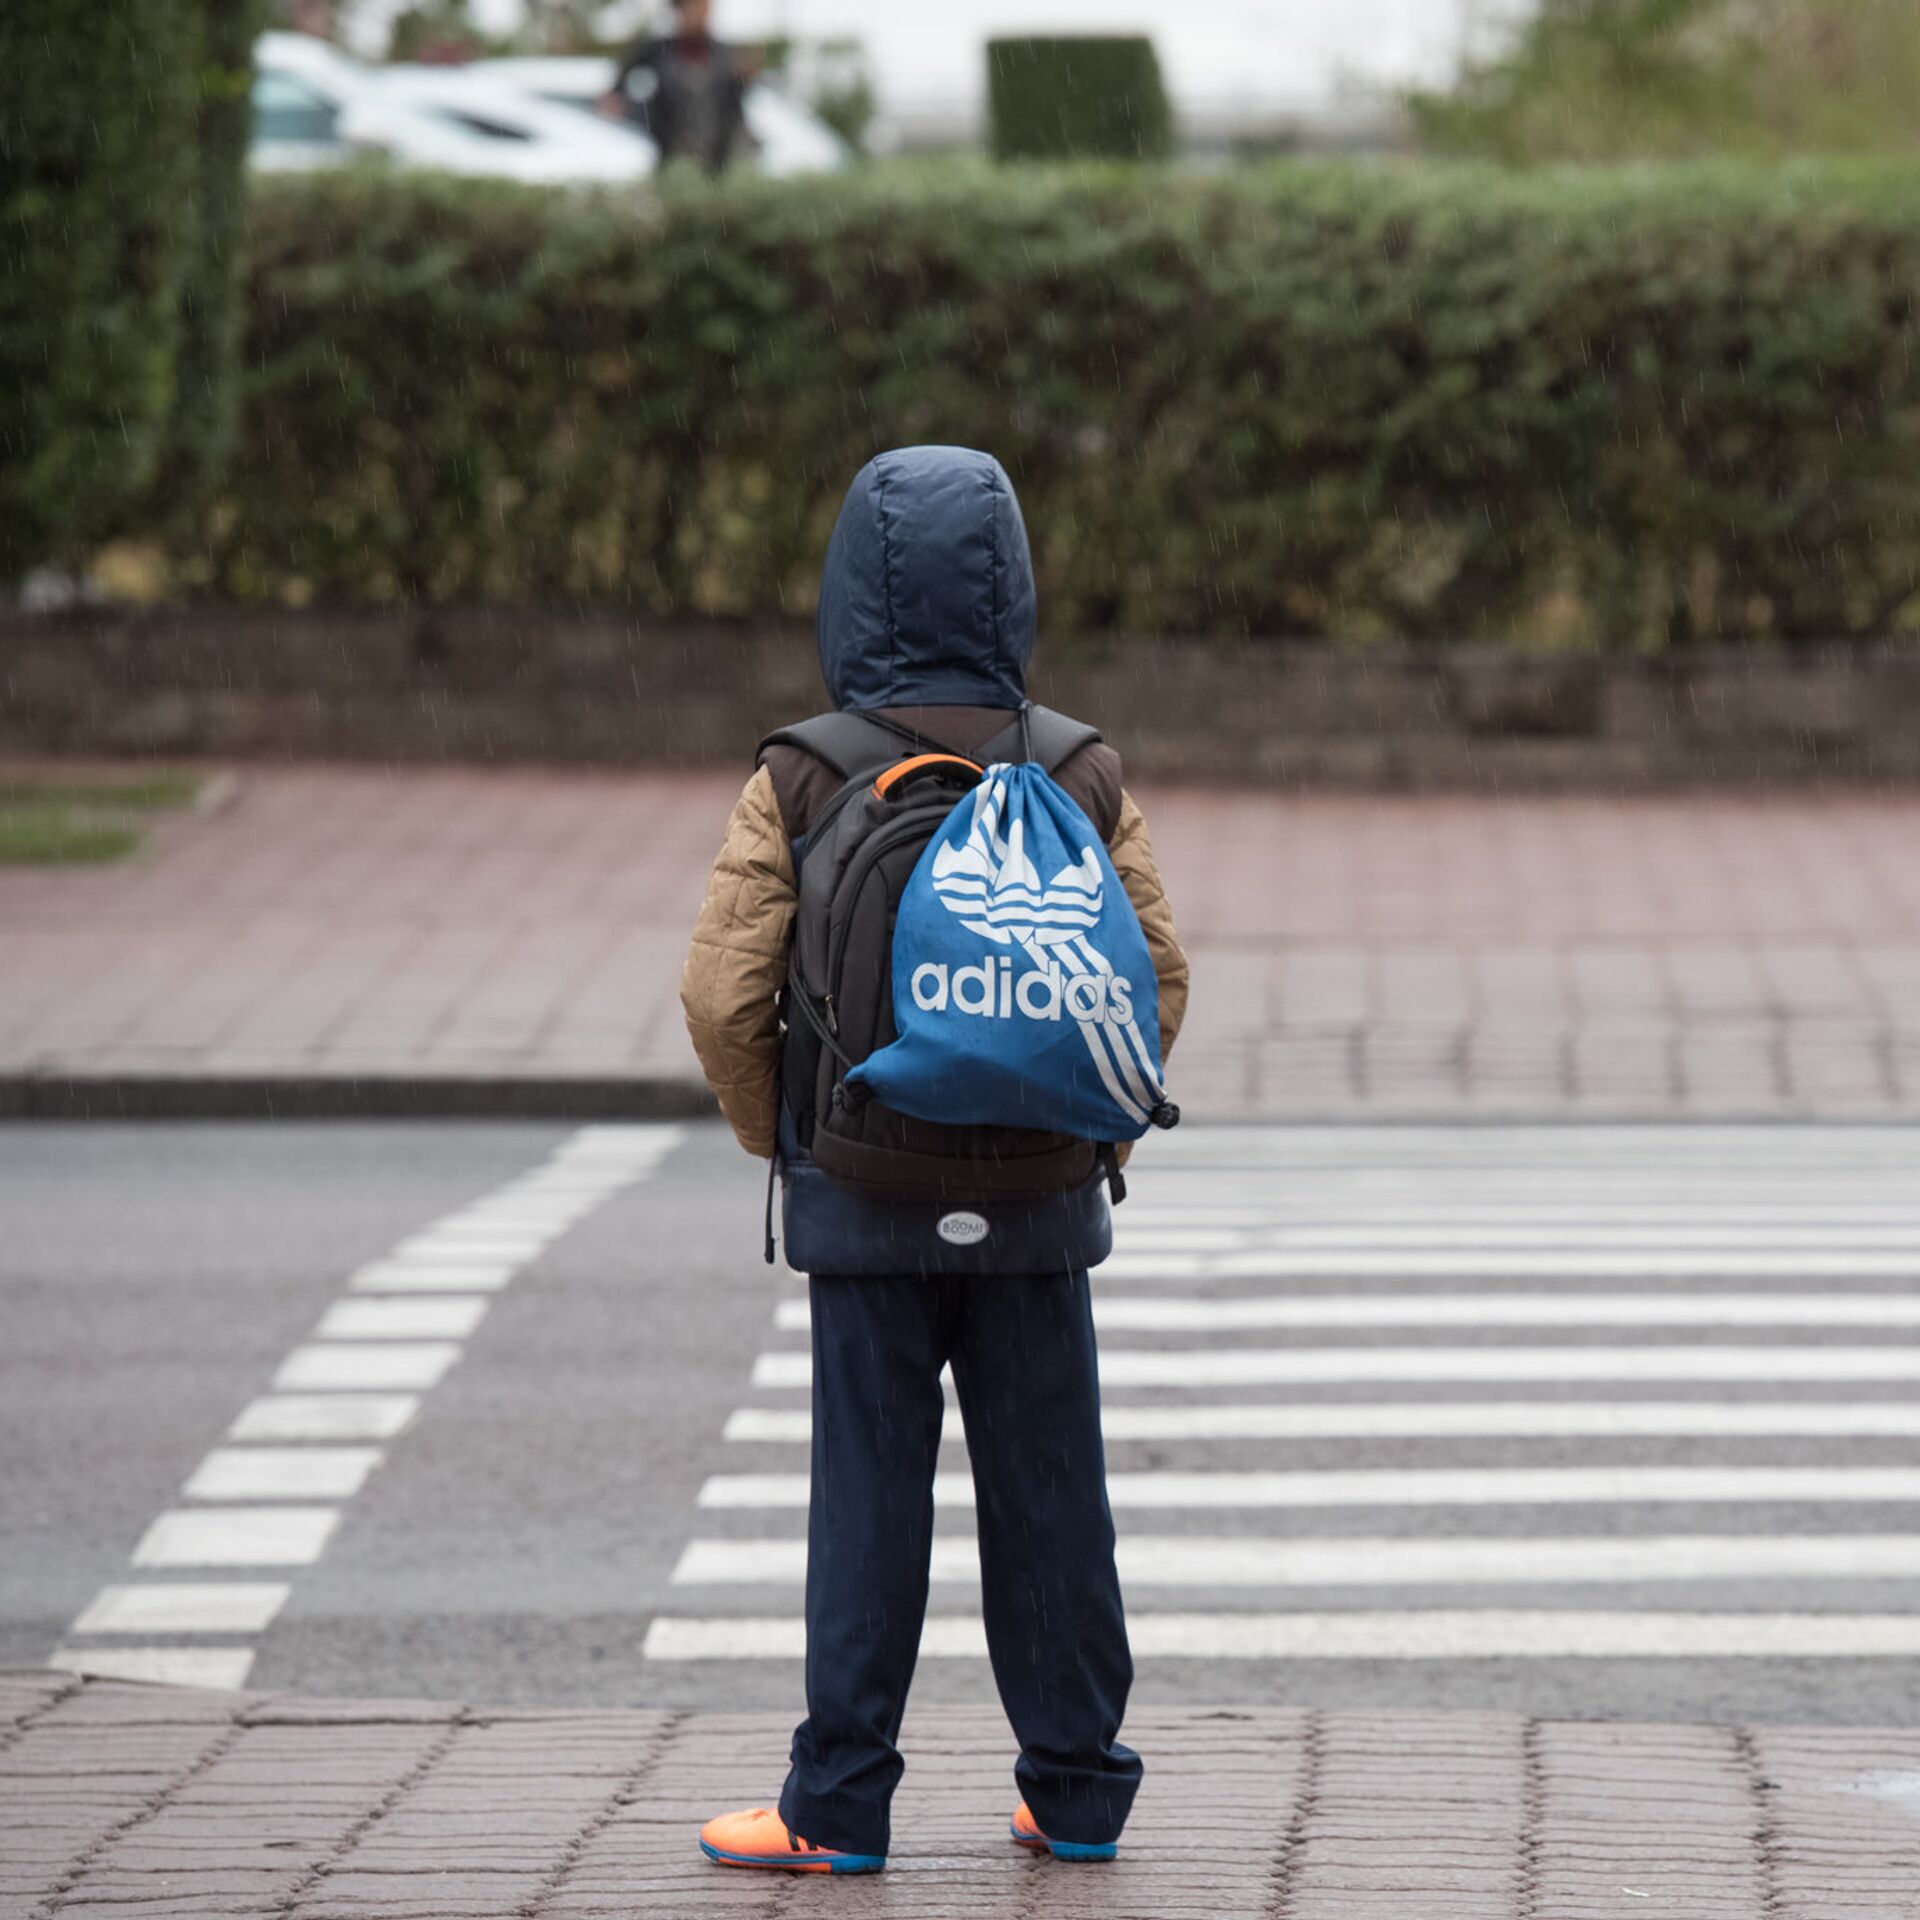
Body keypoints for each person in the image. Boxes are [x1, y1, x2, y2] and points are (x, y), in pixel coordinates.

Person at [679, 445, 1190, 1875]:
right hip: (1037, 1201)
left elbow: (724, 998)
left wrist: (795, 1139)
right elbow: (1152, 976)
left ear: (847, 591)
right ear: (1015, 584)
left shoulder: (801, 772)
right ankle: (1076, 1793)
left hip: (865, 1195)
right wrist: (1078, 1124)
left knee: (867, 1500)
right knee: (1052, 1498)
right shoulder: (1077, 766)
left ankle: (836, 1808)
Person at [600, 0, 750, 174]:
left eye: (706, 8)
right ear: (681, 11)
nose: (702, 15)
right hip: (668, 148)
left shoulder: (723, 53)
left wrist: (744, 81)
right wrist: (615, 99)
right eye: (696, 7)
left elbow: (732, 104)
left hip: (714, 158)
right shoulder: (660, 49)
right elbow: (622, 78)